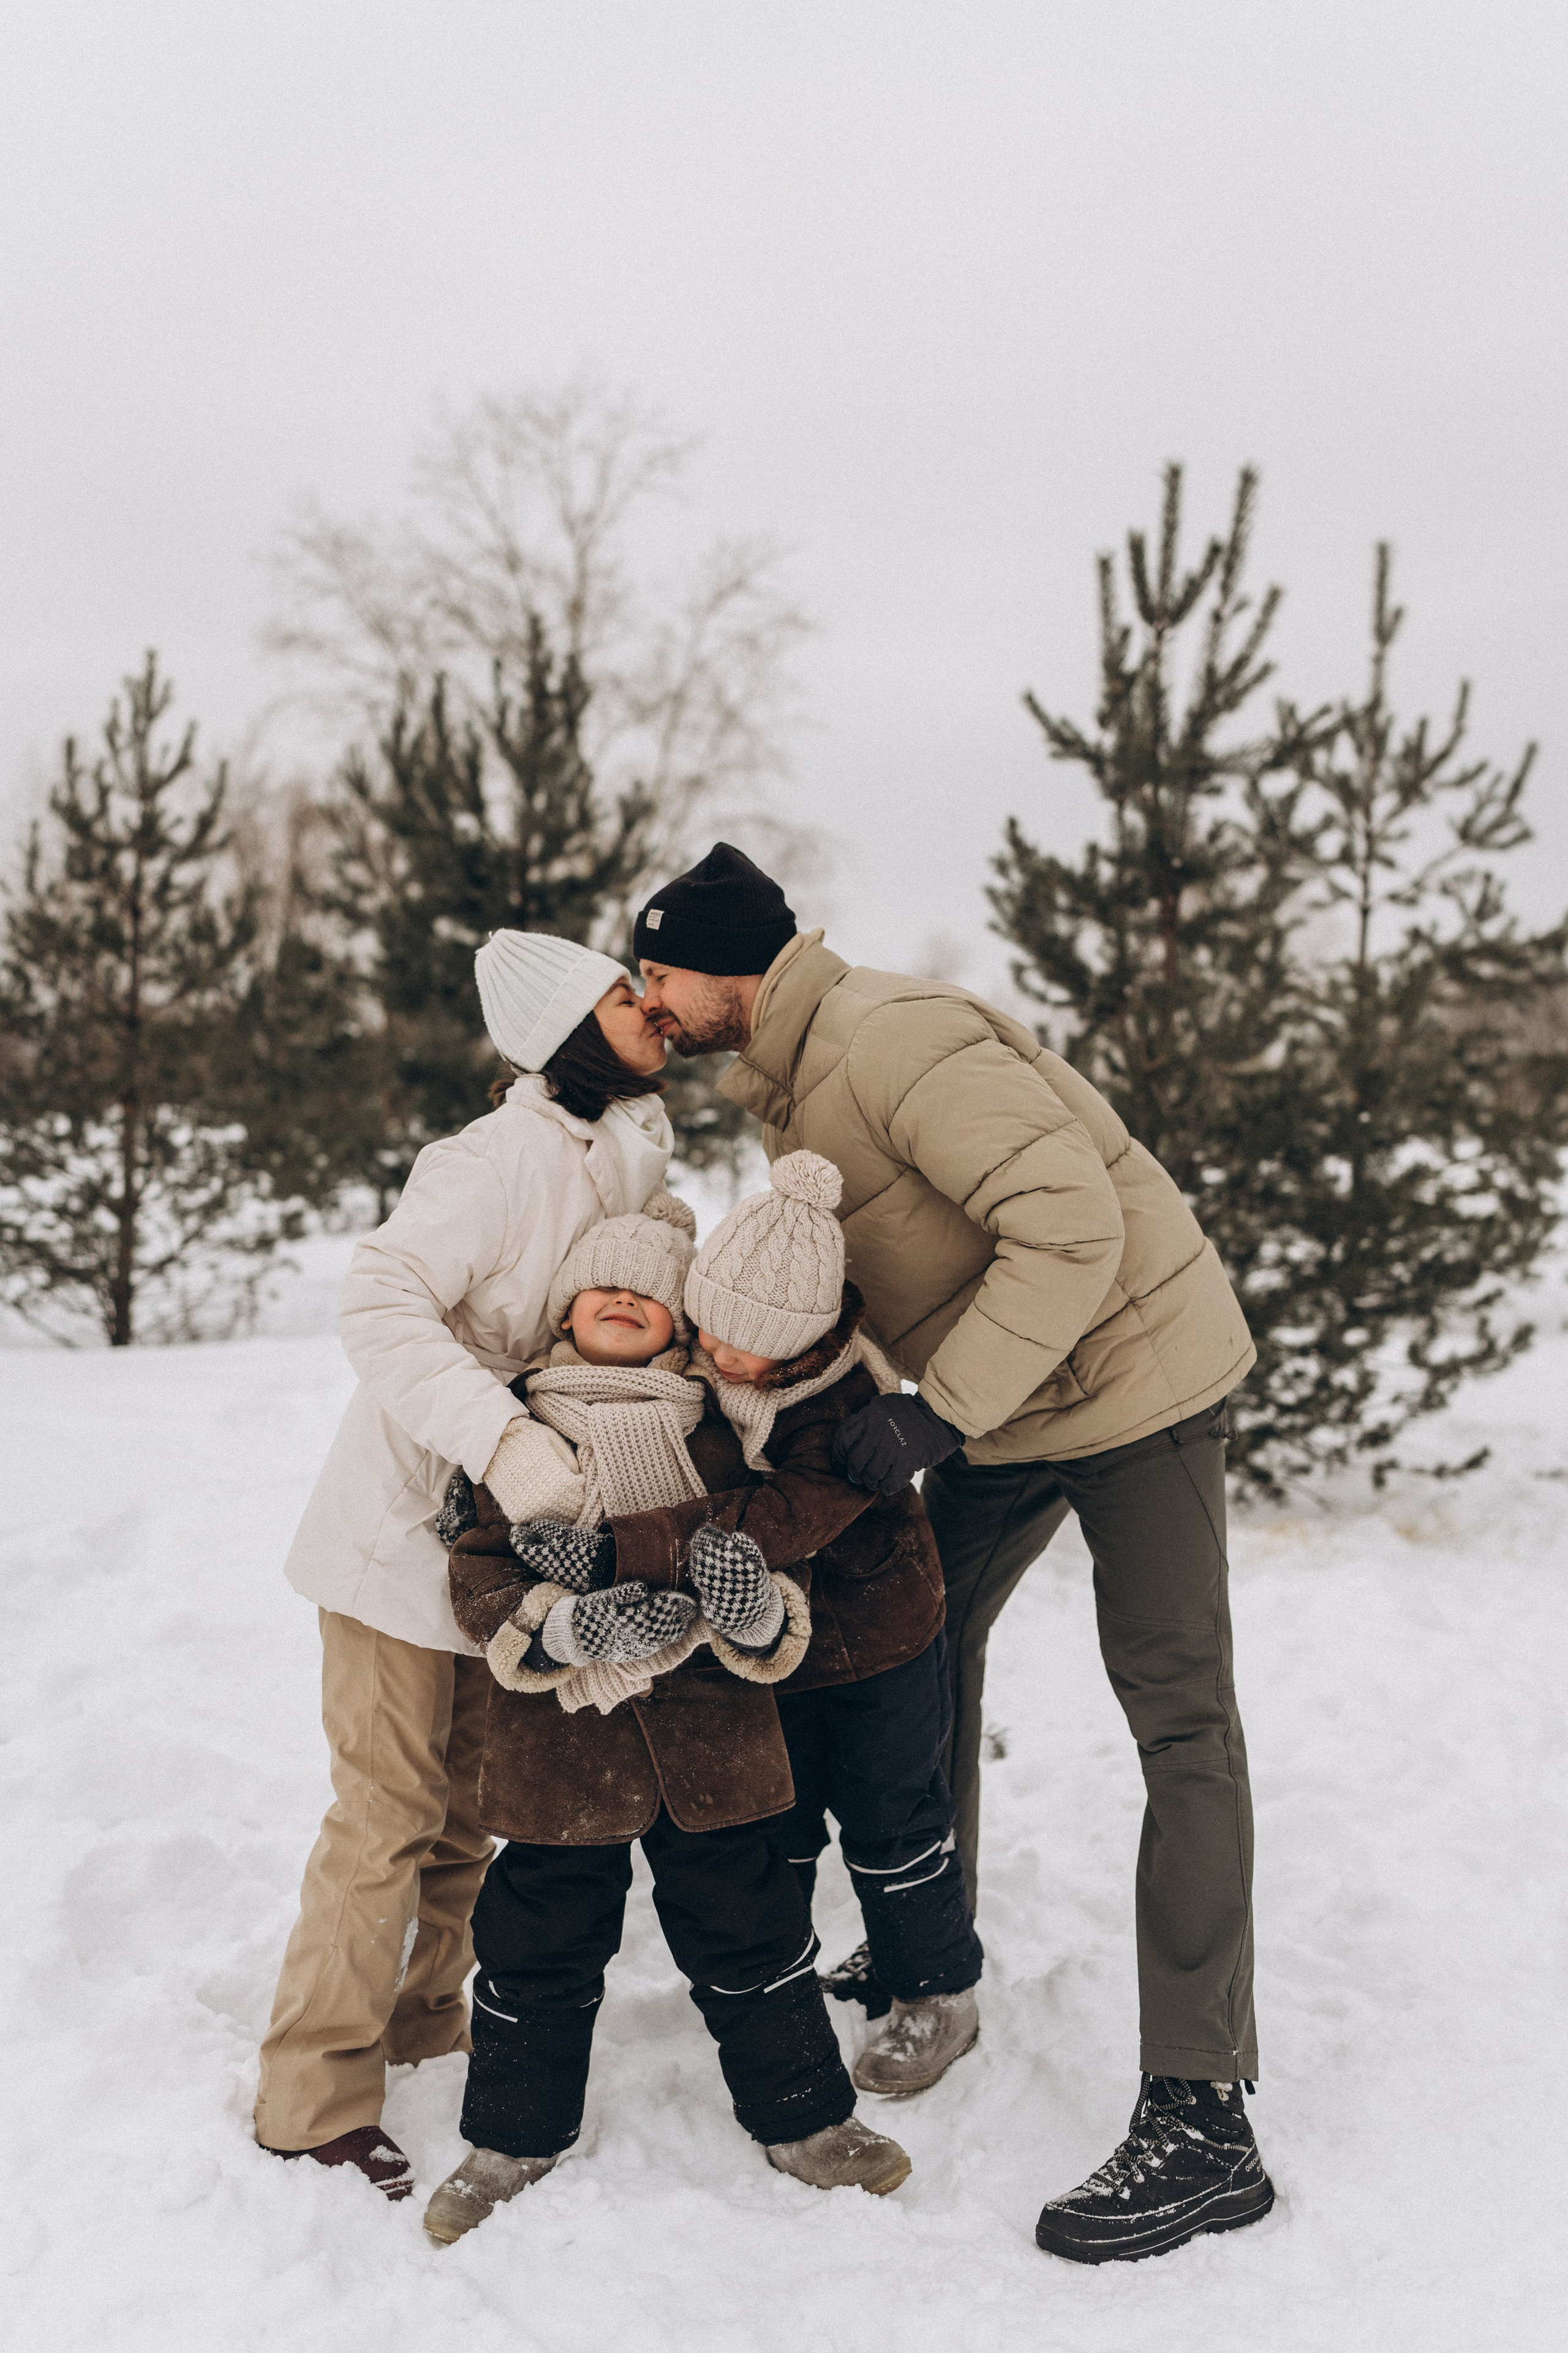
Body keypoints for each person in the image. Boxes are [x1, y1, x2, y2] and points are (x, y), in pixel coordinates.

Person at [634, 841, 1275, 2265]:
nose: (649, 1000)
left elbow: (1071, 1224)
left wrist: (936, 1411)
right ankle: (934, 1954)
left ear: (730, 964)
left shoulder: (891, 1037)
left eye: (659, 971)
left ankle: (1202, 2102)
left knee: (1177, 1716)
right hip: (1008, 1404)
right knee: (910, 1635)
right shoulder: (796, 1078)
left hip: (1135, 1381)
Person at [254, 930, 674, 2199]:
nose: (648, 1004)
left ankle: (423, 2018)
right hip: (401, 1536)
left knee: (463, 1815)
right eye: (621, 992)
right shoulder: (490, 1160)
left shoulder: (637, 1149)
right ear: (564, 1028)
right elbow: (378, 1301)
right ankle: (311, 2096)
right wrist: (499, 1432)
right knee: (382, 1815)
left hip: (516, 1549)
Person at [424, 1182, 911, 2243]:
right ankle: (511, 2136)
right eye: (598, 1282)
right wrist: (562, 1627)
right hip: (564, 1751)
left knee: (756, 1932)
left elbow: (776, 1572)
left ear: (681, 1324)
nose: (618, 1299)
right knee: (537, 1942)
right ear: (563, 1311)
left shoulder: (722, 1441)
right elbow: (479, 1581)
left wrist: (753, 1610)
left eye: (644, 1293)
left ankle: (806, 2119)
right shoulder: (515, 1441)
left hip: (713, 1744)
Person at [608, 1149, 984, 2098]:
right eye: (707, 1329)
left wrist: (642, 1544)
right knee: (781, 1820)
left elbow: (776, 1522)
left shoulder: (843, 1407)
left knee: (891, 1817)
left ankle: (936, 1990)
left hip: (876, 1645)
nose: (717, 1355)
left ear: (808, 1341)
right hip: (778, 1652)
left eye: (745, 1346)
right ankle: (789, 1985)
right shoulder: (702, 1359)